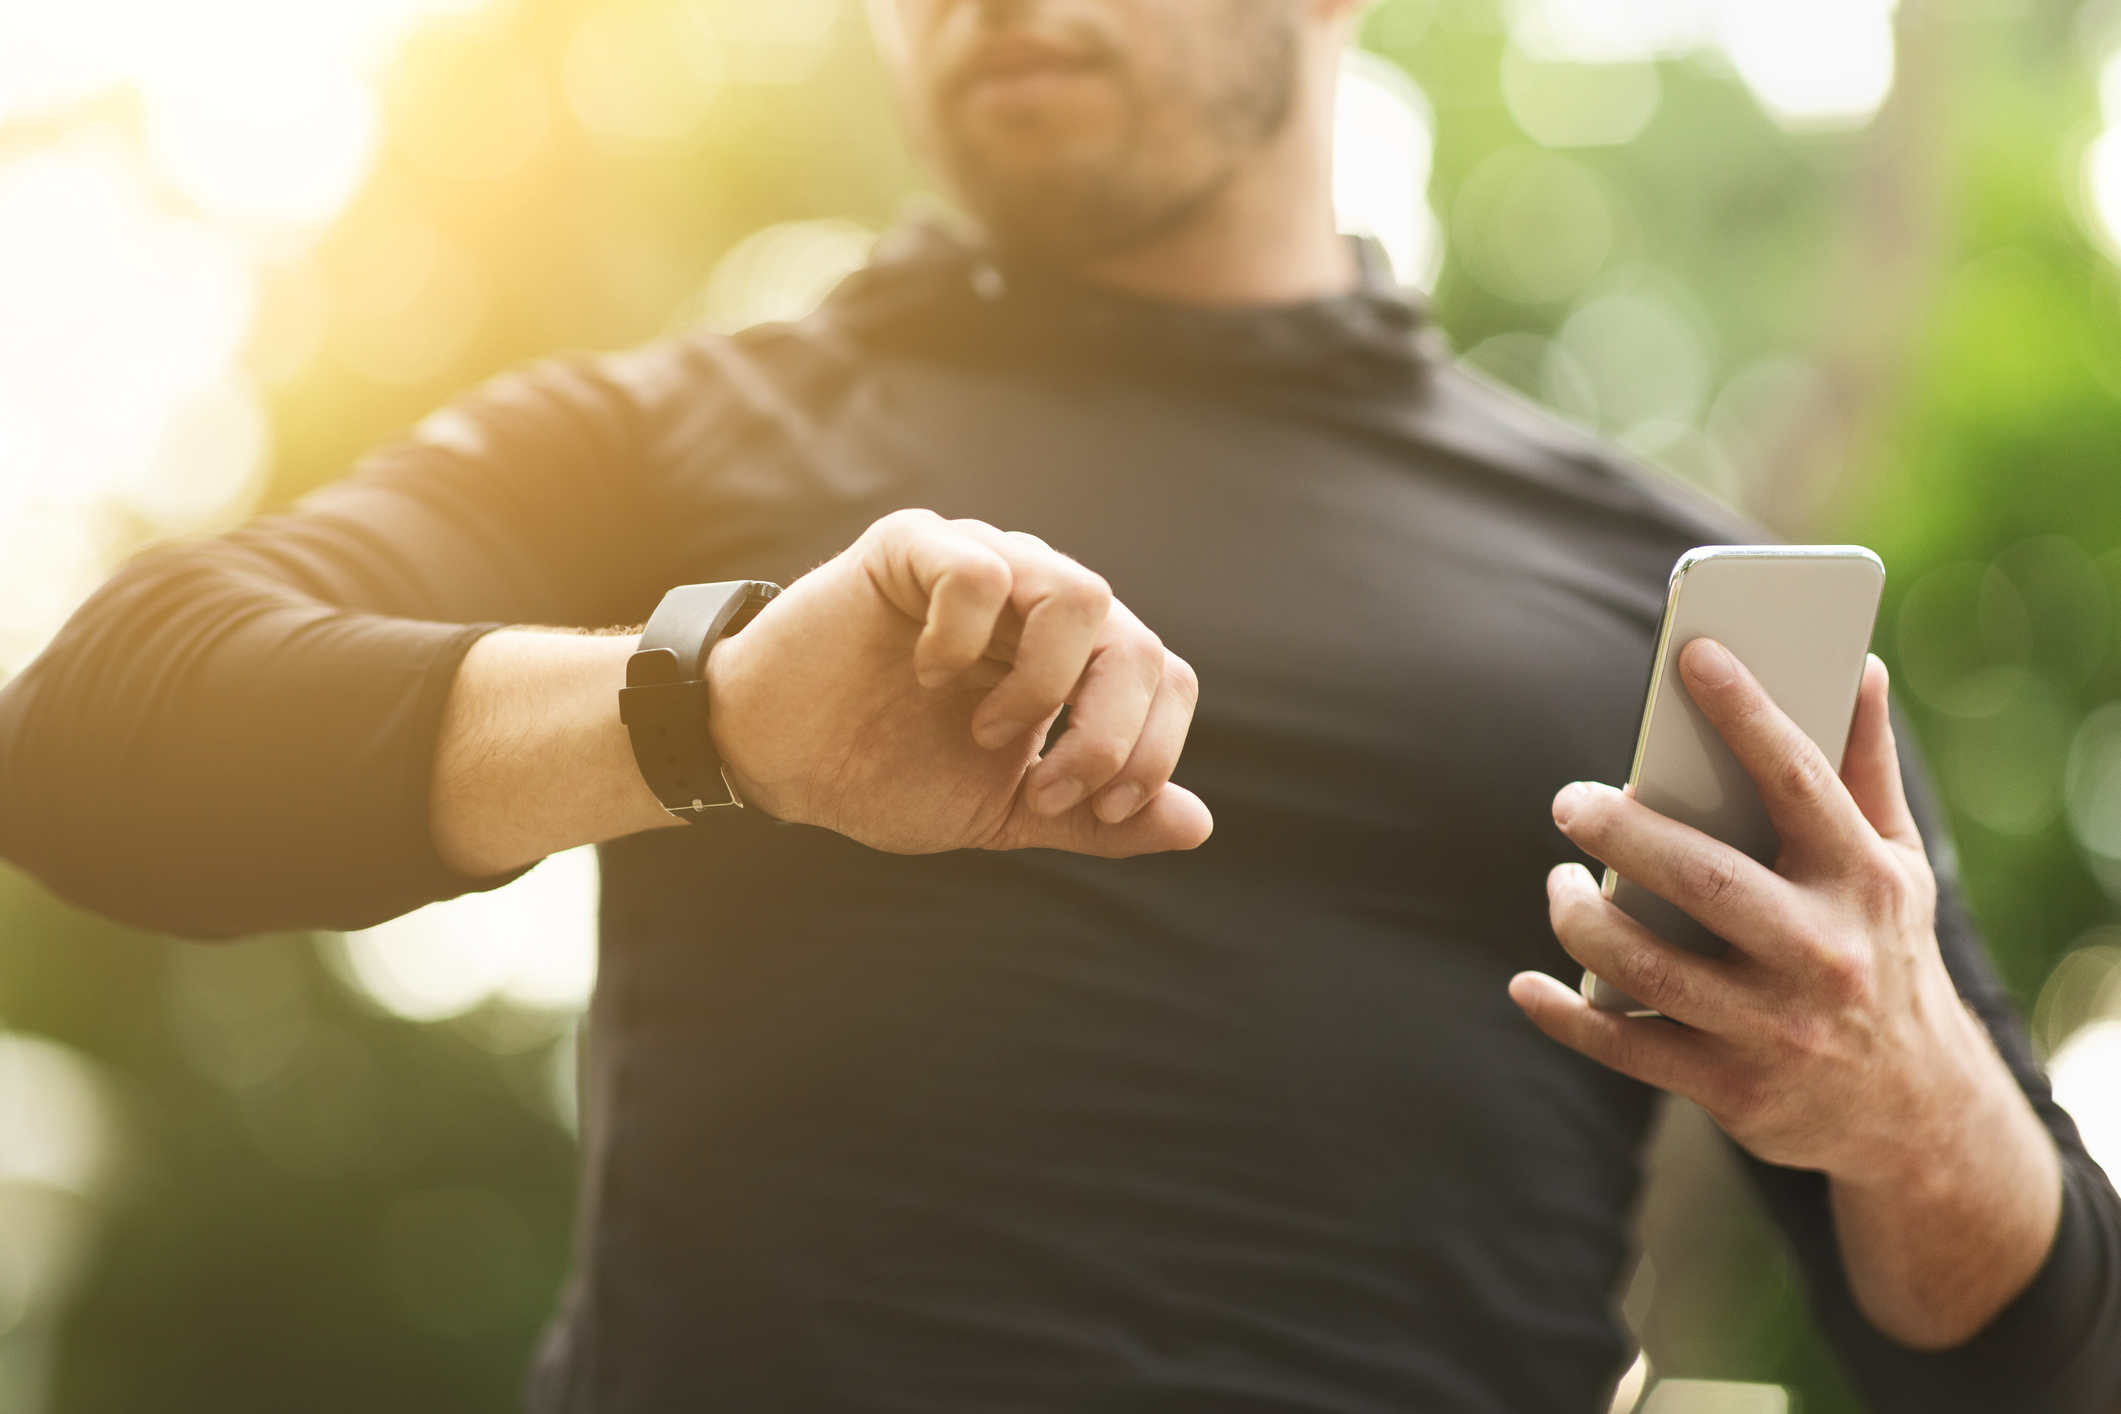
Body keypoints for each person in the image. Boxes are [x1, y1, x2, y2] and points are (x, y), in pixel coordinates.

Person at [1, 0, 2116, 1409]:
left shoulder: (1661, 588)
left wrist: (1908, 1104)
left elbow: (2037, 1349)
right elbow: (100, 743)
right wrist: (706, 714)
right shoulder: (675, 438)